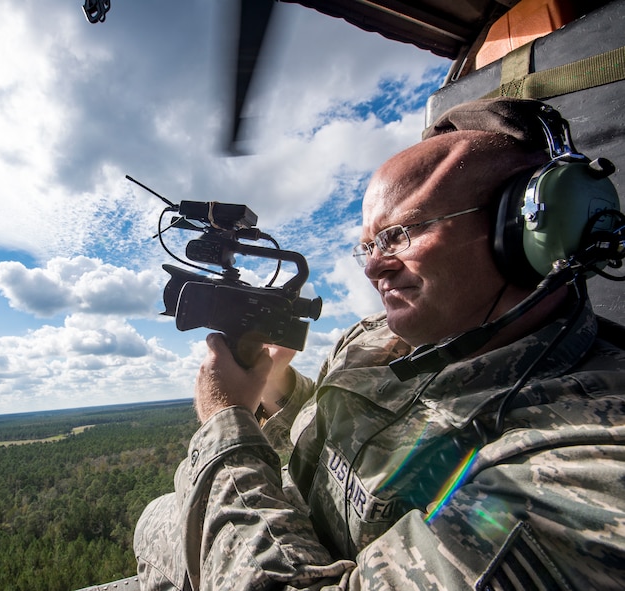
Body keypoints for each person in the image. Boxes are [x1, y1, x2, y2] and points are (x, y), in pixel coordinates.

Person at [133, 97, 625, 590]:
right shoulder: (373, 336)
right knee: (157, 516)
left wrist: (224, 423)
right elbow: (334, 432)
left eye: (398, 234)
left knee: (163, 522)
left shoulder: (583, 465)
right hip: (287, 529)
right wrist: (277, 386)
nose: (371, 267)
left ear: (524, 230)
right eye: (368, 245)